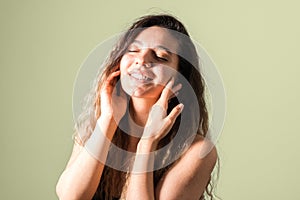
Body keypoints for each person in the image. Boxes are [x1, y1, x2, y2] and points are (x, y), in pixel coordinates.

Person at [56, 14, 218, 200]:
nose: (141, 60)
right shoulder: (93, 128)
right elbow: (71, 196)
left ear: (180, 78)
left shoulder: (197, 151)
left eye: (160, 57)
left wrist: (147, 143)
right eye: (133, 50)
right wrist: (109, 118)